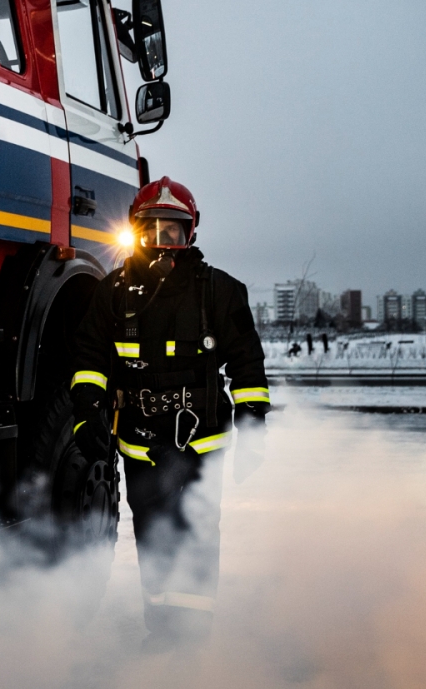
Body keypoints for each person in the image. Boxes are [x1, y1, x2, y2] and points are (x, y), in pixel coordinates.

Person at [69, 177, 269, 647]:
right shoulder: (112, 292)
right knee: (153, 535)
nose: (162, 242)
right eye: (151, 230)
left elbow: (247, 361)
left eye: (173, 232)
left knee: (197, 532)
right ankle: (162, 631)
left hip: (202, 439)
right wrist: (85, 412)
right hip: (140, 441)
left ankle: (192, 638)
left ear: (191, 234)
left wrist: (254, 423)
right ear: (135, 232)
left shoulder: (220, 291)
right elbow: (89, 357)